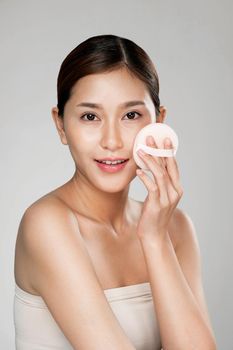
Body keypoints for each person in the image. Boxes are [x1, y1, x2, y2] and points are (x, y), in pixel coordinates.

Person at [13, 34, 217, 350]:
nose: (111, 140)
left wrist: (154, 238)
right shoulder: (47, 224)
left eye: (131, 115)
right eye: (90, 116)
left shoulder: (175, 228)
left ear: (159, 123)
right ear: (61, 125)